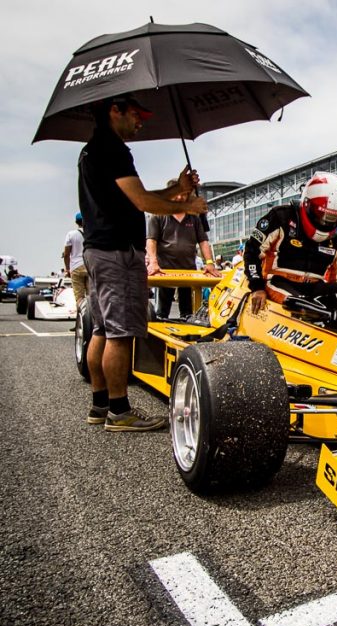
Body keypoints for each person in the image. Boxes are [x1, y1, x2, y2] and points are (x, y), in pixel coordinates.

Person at [79, 93, 207, 432]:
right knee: (120, 333)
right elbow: (142, 202)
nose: (141, 122)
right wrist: (188, 206)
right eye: (136, 115)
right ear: (114, 110)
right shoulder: (113, 149)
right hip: (117, 252)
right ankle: (120, 412)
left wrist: (179, 188)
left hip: (98, 249)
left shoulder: (93, 148)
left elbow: (139, 195)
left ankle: (100, 405)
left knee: (102, 330)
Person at [243, 171, 337, 312]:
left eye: (333, 218)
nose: (326, 222)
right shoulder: (281, 218)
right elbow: (252, 251)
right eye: (322, 215)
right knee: (301, 306)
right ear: (306, 204)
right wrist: (256, 287)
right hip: (278, 282)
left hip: (315, 287)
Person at [146, 180, 220, 318]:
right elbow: (151, 240)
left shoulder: (194, 218)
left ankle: (189, 334)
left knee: (187, 311)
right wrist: (153, 262)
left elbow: (203, 241)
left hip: (188, 271)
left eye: (184, 194)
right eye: (176, 194)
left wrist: (210, 263)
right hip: (164, 271)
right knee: (162, 311)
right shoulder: (158, 215)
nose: (180, 198)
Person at [63, 212, 88, 303]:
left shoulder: (71, 234)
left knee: (79, 296)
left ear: (76, 222)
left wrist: (67, 269)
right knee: (91, 295)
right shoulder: (92, 233)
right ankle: (92, 316)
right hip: (90, 266)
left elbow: (66, 254)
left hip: (76, 267)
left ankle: (81, 315)